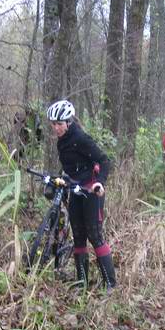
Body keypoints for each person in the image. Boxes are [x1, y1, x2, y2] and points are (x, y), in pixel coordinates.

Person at [46, 99, 117, 290]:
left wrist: (99, 182)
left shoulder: (81, 138)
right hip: (75, 189)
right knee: (78, 235)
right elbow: (71, 165)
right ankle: (82, 282)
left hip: (92, 190)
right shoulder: (62, 141)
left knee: (94, 235)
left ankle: (110, 283)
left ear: (68, 122)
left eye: (59, 124)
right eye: (53, 124)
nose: (56, 128)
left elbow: (104, 160)